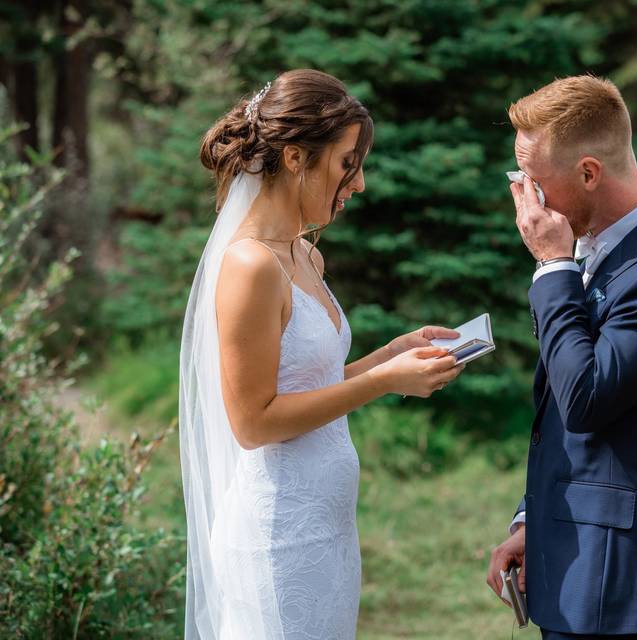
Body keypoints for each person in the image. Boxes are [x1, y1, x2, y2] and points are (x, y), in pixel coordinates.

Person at [179, 68, 464, 639]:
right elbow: (254, 422)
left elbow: (309, 381)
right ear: (293, 157)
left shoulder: (305, 256)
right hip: (279, 535)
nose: (358, 184)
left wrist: (389, 355)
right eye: (346, 163)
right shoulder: (250, 266)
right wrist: (384, 383)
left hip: (328, 528)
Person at [487, 75, 637, 639]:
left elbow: (586, 398)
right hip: (573, 551)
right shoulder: (600, 243)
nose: (526, 199)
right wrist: (535, 519)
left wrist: (551, 266)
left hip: (614, 580)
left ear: (590, 172)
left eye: (534, 181)